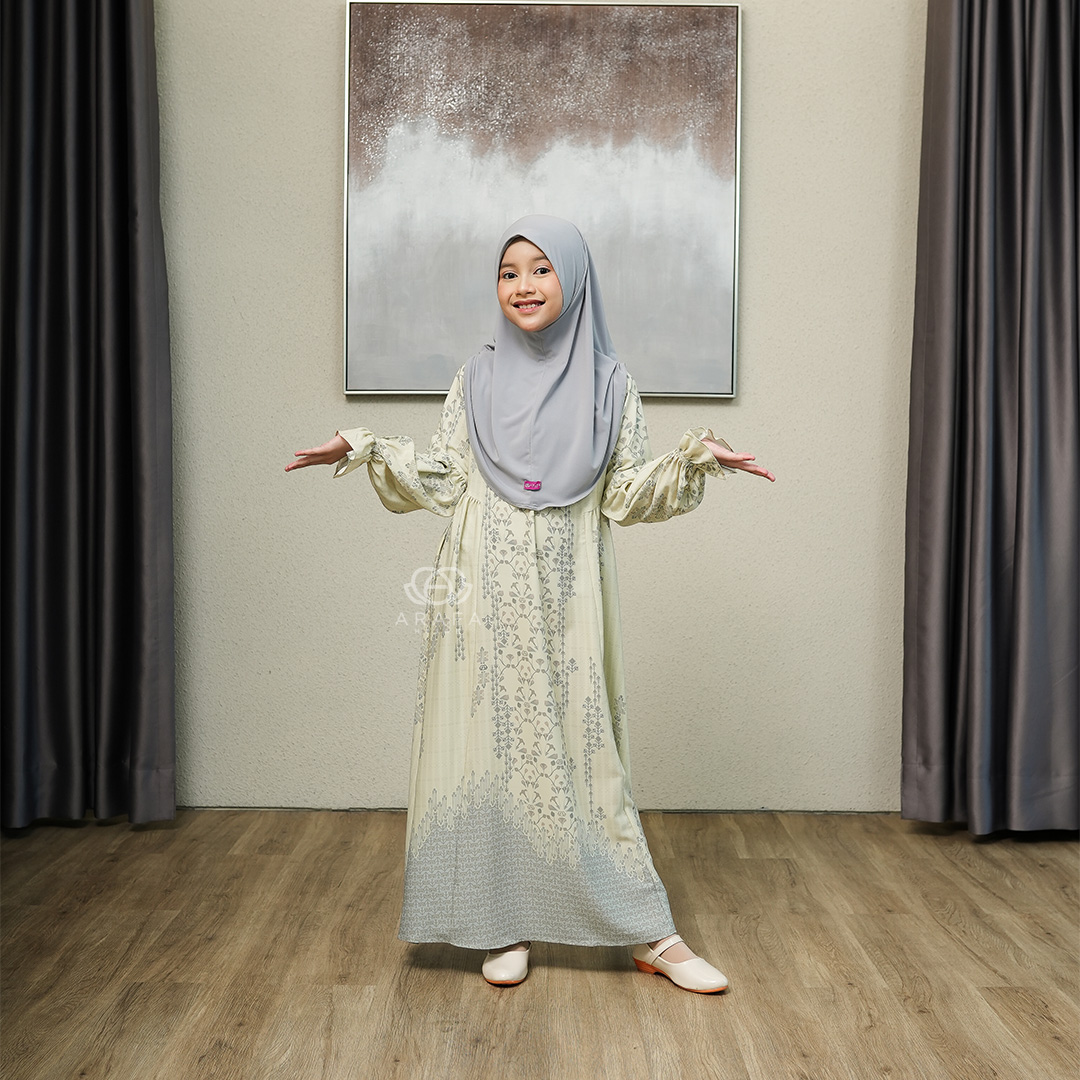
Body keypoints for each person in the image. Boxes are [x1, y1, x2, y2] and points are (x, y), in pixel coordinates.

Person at [287, 216, 775, 993]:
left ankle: (650, 934)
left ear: (574, 280)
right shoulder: (474, 379)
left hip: (570, 595)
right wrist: (367, 446)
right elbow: (450, 478)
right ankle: (501, 919)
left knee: (587, 757)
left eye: (541, 269)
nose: (522, 285)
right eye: (508, 272)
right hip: (480, 589)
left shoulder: (611, 387)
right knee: (489, 751)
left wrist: (693, 461)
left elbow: (623, 493)